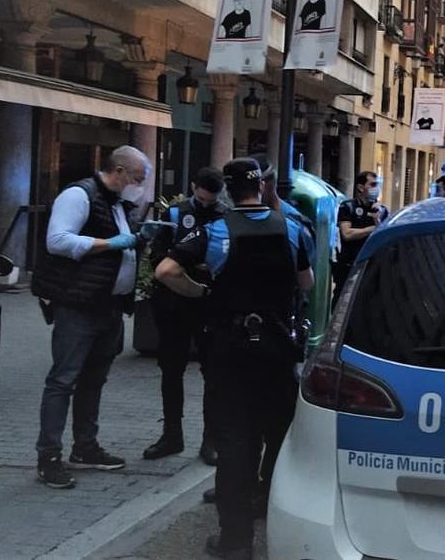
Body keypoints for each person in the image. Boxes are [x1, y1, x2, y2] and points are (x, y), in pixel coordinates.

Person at [156, 158, 313, 559]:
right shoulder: (293, 229)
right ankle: (277, 523)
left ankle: (235, 541)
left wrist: (203, 293)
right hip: (277, 351)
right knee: (277, 437)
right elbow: (307, 282)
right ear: (260, 187)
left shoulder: (215, 232)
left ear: (227, 190)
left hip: (230, 350)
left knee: (234, 442)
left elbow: (166, 271)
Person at [31, 146, 151, 489]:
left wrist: (136, 240)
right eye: (138, 179)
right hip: (78, 305)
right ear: (119, 171)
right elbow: (58, 241)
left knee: (93, 379)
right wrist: (112, 243)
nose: (139, 186)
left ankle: (85, 446)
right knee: (63, 380)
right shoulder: (79, 195)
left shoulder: (116, 203)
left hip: (107, 305)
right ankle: (49, 456)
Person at [143, 168, 228, 464]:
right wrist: (189, 261)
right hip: (173, 303)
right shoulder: (177, 213)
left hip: (208, 305)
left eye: (212, 198)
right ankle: (171, 435)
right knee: (171, 369)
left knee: (213, 372)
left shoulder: (225, 215)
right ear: (193, 186)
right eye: (202, 196)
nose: (207, 202)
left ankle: (211, 439)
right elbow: (158, 256)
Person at [333, 171, 388, 306]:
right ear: (360, 187)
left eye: (378, 185)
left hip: (371, 266)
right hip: (349, 265)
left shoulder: (382, 211)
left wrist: (378, 221)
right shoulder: (348, 207)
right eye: (373, 184)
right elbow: (347, 234)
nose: (376, 188)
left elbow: (385, 237)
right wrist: (372, 230)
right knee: (342, 301)